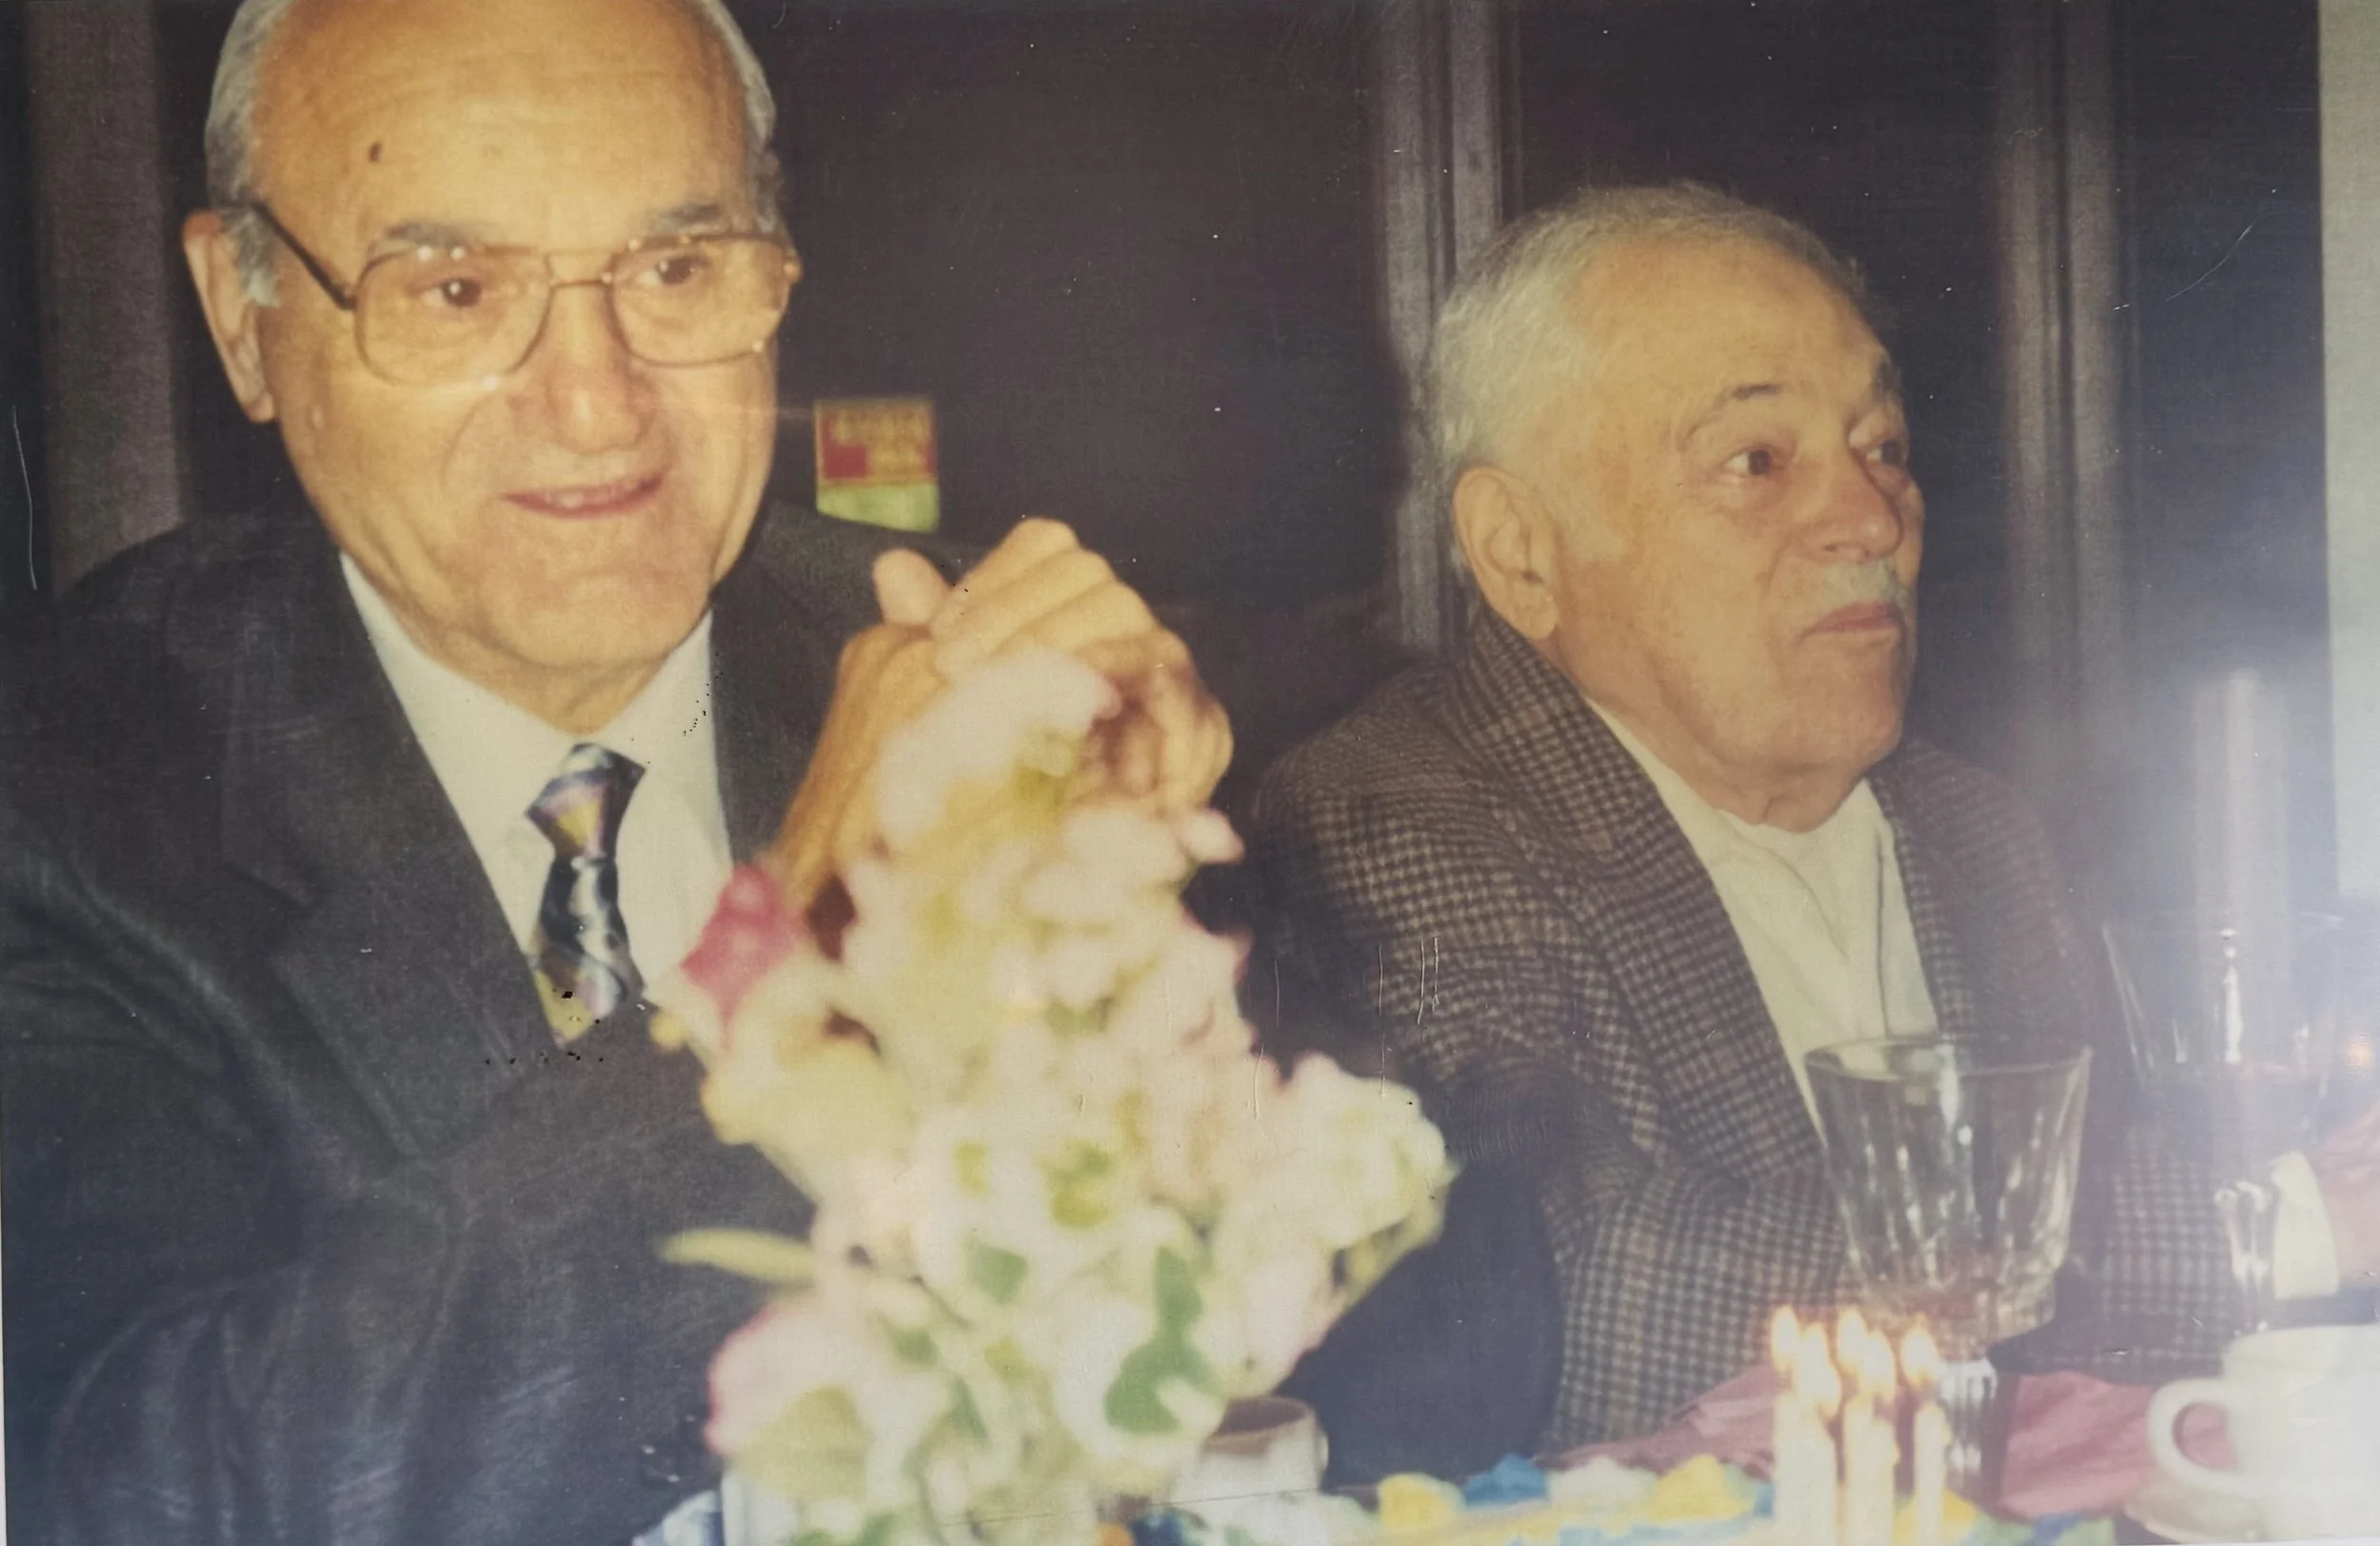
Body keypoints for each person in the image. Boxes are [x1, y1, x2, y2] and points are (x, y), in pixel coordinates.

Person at [0, 0, 1238, 1540]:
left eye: (674, 269)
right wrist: (780, 970)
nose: (595, 404)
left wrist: (1160, 939)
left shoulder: (957, 661)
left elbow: (1269, 1364)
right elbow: (147, 1493)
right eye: (453, 288)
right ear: (244, 320)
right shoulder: (62, 789)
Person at [1249, 184, 2380, 1448]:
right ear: (1521, 551)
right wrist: (2286, 1223)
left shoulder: (1977, 830)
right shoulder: (1389, 813)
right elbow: (1570, 1292)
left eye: (1883, 446)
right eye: (1757, 460)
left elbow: (2108, 1359)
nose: (1872, 518)